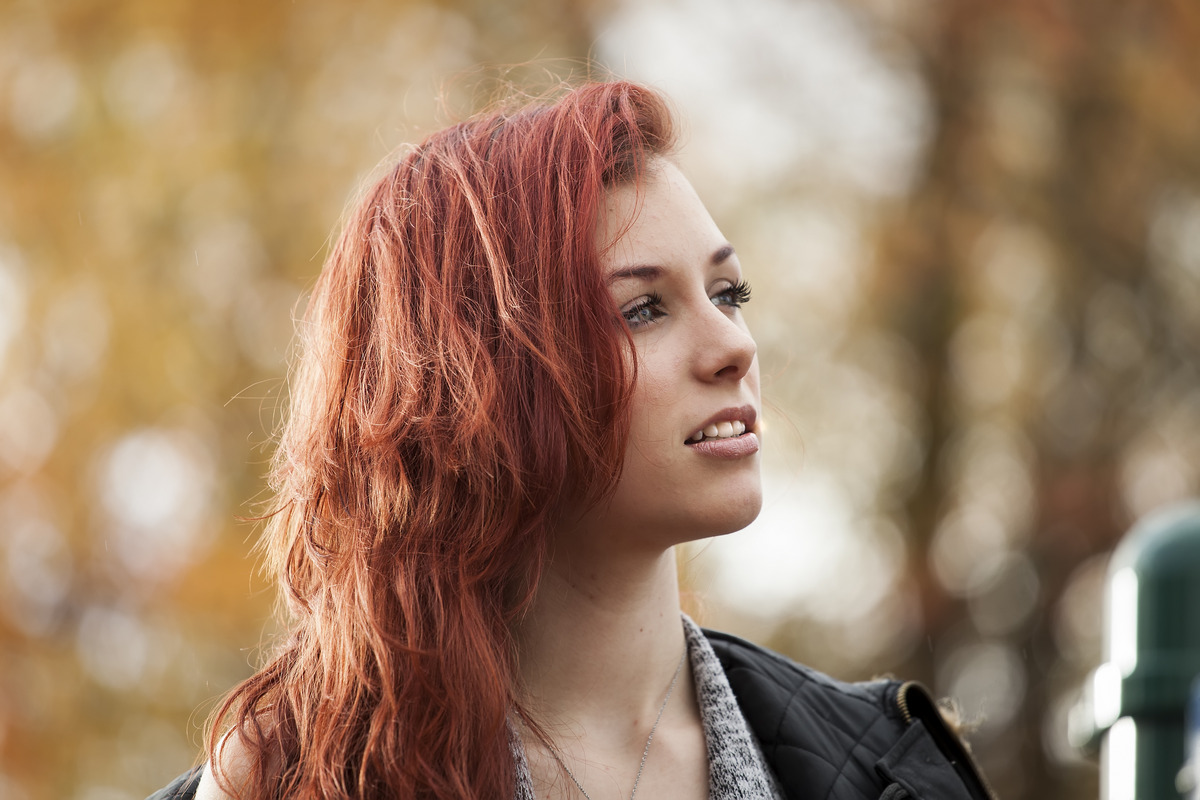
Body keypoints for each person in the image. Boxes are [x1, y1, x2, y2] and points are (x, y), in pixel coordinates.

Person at [147, 80, 993, 800]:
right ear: (478, 384)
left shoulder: (890, 769)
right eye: (644, 310)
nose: (735, 347)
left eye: (729, 293)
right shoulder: (299, 773)